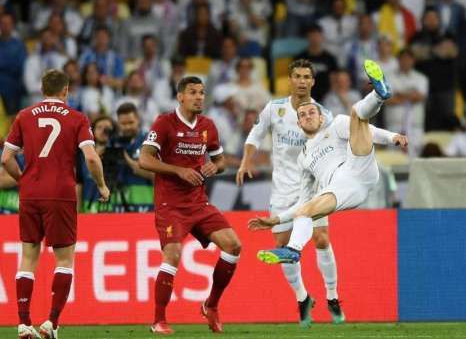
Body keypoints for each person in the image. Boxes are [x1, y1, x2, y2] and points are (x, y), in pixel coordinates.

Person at [247, 60, 407, 277]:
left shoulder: (335, 125)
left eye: (311, 112)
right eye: (302, 116)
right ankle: (293, 251)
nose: (307, 116)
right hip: (340, 188)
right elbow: (303, 201)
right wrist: (275, 220)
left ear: (321, 117)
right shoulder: (303, 159)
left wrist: (392, 137)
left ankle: (379, 95)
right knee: (306, 210)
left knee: (356, 115)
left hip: (358, 167)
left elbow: (368, 130)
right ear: (299, 124)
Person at [1, 69, 109, 339]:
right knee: (64, 259)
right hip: (61, 193)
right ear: (66, 90)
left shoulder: (24, 116)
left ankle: (24, 324)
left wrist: (23, 180)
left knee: (27, 256)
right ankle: (51, 323)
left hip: (30, 193)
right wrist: (102, 185)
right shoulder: (77, 118)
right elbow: (92, 158)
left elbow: (5, 159)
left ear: (42, 89)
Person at [237, 59, 340, 327]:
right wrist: (246, 159)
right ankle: (303, 297)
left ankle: (332, 295)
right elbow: (256, 134)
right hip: (283, 188)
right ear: (290, 80)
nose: (302, 81)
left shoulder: (323, 115)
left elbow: (335, 145)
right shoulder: (275, 109)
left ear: (313, 81)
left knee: (321, 238)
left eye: (307, 76)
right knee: (282, 247)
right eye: (297, 76)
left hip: (314, 187)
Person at [139, 76, 241, 335]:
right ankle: (158, 320)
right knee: (172, 254)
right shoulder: (164, 123)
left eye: (202, 93)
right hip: (170, 203)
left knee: (233, 245)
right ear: (180, 97)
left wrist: (214, 167)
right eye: (193, 92)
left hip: (198, 202)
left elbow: (221, 161)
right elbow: (144, 159)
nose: (199, 97)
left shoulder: (208, 126)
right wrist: (178, 171)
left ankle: (211, 305)